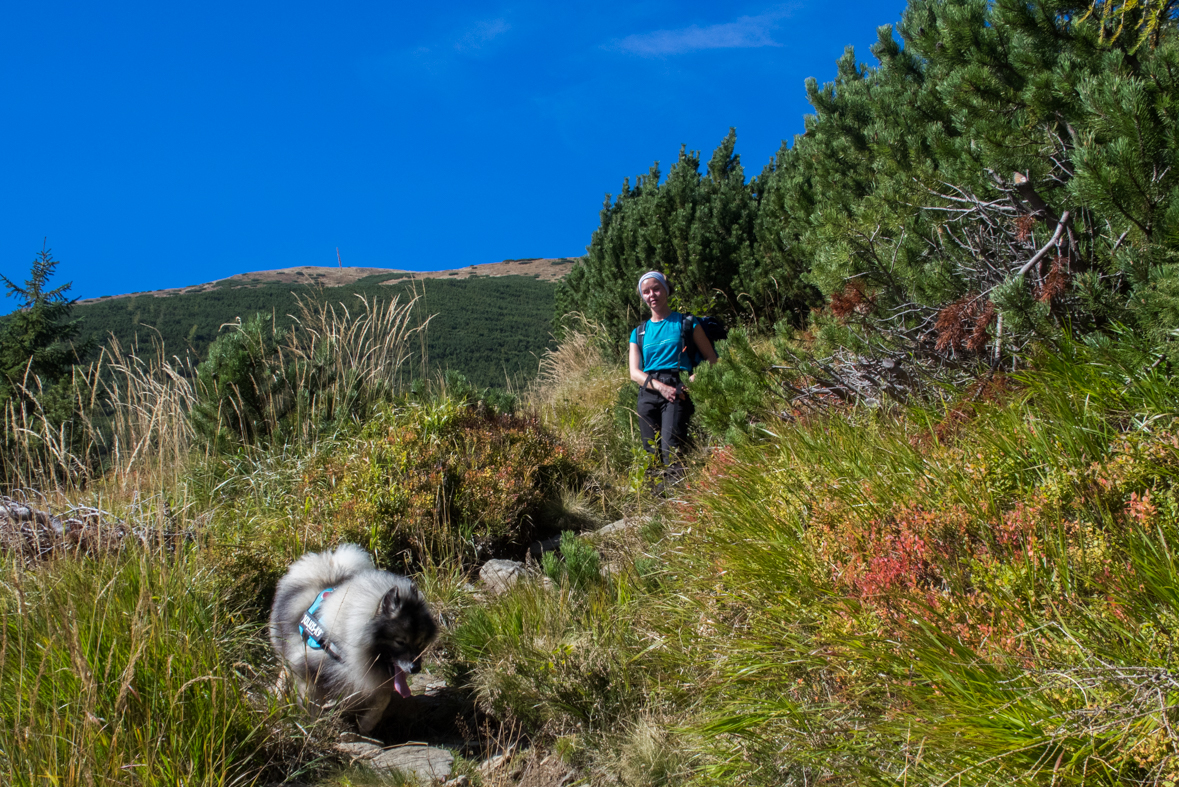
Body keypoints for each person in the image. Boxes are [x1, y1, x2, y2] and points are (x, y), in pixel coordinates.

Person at [628, 271, 717, 486]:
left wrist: (689, 383)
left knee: (671, 448)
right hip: (649, 391)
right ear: (642, 296)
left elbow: (712, 359)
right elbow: (634, 372)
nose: (652, 295)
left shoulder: (686, 323)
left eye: (656, 289)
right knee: (651, 452)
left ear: (666, 290)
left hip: (677, 389)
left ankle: (677, 503)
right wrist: (660, 387)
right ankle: (657, 505)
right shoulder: (639, 332)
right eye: (646, 291)